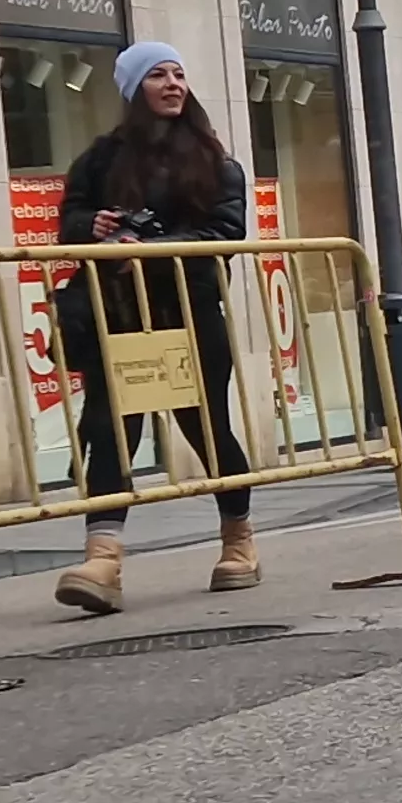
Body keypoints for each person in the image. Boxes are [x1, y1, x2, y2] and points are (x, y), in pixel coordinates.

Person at [50, 39, 258, 612]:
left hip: (189, 313)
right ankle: (103, 559)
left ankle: (239, 542)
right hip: (118, 315)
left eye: (179, 74)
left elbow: (226, 233)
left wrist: (153, 248)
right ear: (132, 90)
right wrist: (93, 226)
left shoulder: (217, 163)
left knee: (209, 427)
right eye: (157, 76)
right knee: (111, 431)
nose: (172, 84)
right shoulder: (99, 158)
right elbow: (67, 222)